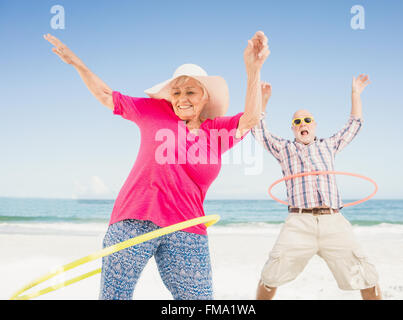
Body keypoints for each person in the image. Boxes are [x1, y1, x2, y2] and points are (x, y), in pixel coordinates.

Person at [44, 31, 269, 299]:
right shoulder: (154, 111)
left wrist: (253, 69)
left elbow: (251, 119)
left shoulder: (216, 132)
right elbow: (107, 96)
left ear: (205, 97)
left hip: (188, 228)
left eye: (190, 92)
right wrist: (77, 63)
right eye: (176, 92)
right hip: (134, 220)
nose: (182, 98)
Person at [251, 76, 382, 300]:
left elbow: (354, 125)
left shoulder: (329, 146)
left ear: (314, 125)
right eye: (298, 122)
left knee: (367, 276)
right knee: (270, 275)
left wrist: (355, 94)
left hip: (333, 220)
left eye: (307, 120)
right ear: (293, 128)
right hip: (299, 222)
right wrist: (263, 101)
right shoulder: (285, 149)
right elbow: (258, 131)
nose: (303, 124)